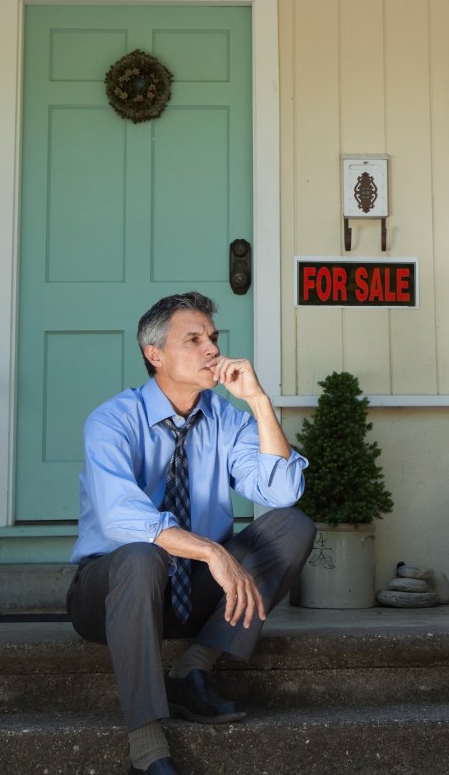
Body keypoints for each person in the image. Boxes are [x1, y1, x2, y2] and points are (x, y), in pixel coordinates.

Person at [67, 291, 315, 775]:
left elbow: (281, 491)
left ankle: (193, 668)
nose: (212, 351)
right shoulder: (112, 420)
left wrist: (259, 402)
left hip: (196, 594)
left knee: (293, 526)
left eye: (214, 339)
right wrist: (211, 552)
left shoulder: (227, 419)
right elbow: (121, 516)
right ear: (153, 354)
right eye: (195, 339)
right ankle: (146, 743)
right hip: (113, 593)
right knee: (142, 555)